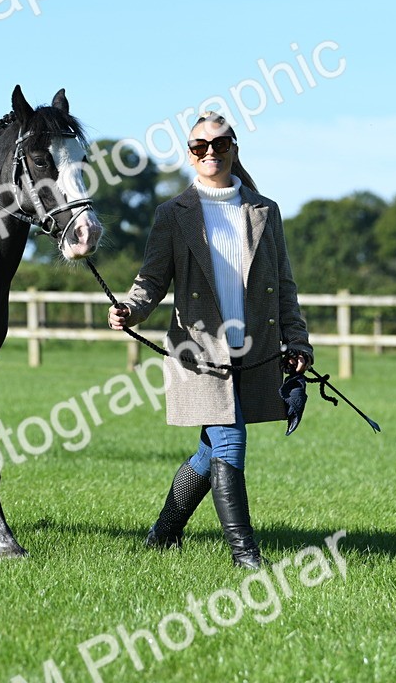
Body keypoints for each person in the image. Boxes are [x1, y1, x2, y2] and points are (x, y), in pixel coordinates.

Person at [107, 112, 313, 569]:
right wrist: (131, 310)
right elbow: (152, 280)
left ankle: (163, 536)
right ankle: (246, 556)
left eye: (220, 144)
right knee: (229, 441)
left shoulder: (264, 210)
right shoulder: (172, 215)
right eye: (200, 146)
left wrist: (297, 342)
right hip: (198, 353)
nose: (210, 153)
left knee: (209, 450)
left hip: (255, 353)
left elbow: (284, 284)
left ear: (234, 149)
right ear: (189, 154)